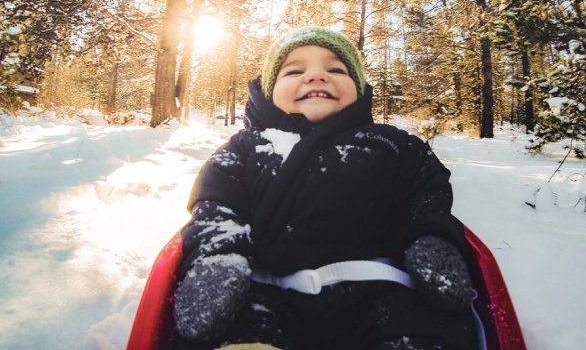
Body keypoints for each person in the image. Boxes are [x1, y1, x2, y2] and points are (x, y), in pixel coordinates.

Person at [172, 27, 479, 350]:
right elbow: (217, 207)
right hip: (265, 294)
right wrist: (219, 260)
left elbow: (425, 194)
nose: (317, 76)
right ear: (268, 92)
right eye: (294, 70)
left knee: (427, 326)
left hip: (384, 290)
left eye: (336, 69)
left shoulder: (391, 143)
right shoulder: (246, 148)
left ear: (359, 91)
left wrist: (429, 239)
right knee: (237, 333)